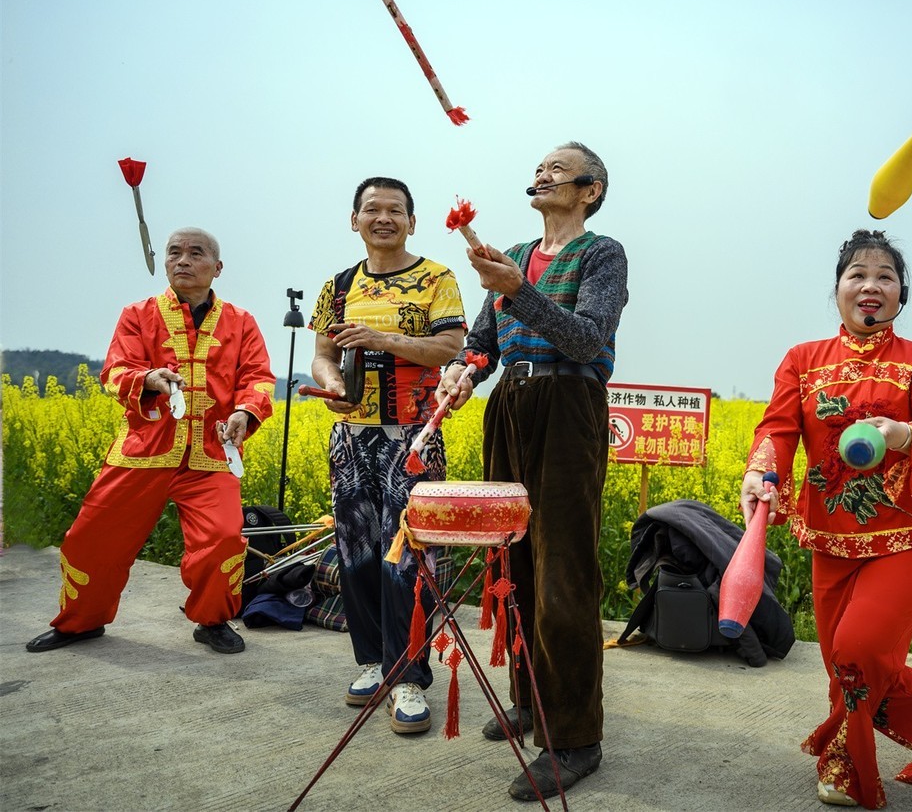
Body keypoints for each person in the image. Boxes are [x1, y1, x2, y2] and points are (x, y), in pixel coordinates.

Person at [741, 230, 912, 809]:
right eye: (857, 274)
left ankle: (845, 765)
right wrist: (761, 473)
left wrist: (902, 433)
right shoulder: (802, 360)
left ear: (900, 294)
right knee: (847, 664)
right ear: (838, 289)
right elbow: (778, 428)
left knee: (858, 651)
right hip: (833, 541)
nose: (871, 285)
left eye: (885, 276)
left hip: (911, 537)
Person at [437, 141, 627, 801]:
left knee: (562, 572)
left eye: (558, 168)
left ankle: (573, 737)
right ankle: (529, 699)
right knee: (512, 562)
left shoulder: (602, 254)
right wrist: (463, 374)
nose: (542, 174)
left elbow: (587, 337)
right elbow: (483, 343)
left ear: (590, 190)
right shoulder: (514, 254)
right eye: (539, 168)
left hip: (568, 403)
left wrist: (518, 290)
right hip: (509, 405)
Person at [26, 228, 274, 656]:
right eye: (174, 253)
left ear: (217, 268)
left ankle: (211, 621)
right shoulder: (137, 314)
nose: (182, 260)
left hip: (211, 454)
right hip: (142, 450)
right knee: (92, 537)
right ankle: (81, 622)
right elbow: (115, 371)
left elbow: (258, 377)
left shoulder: (241, 321)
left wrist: (245, 411)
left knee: (223, 539)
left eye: (195, 253)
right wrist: (147, 379)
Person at [309, 176, 466, 735]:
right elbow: (323, 355)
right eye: (371, 209)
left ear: (411, 222)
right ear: (354, 220)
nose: (383, 218)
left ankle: (410, 677)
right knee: (356, 554)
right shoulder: (338, 286)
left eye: (395, 210)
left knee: (410, 557)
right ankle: (373, 661)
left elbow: (450, 348)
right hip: (352, 437)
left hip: (415, 437)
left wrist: (383, 341)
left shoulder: (436, 279)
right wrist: (332, 385)